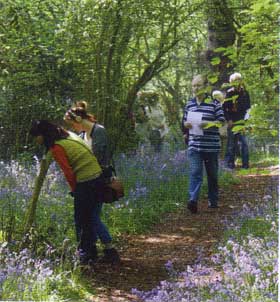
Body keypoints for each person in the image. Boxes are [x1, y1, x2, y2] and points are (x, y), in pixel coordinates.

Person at [29, 120, 103, 265]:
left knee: (81, 219)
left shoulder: (57, 147)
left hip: (86, 180)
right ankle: (92, 252)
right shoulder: (68, 135)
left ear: (43, 135)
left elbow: (68, 171)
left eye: (36, 136)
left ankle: (85, 255)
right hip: (97, 176)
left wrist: (74, 190)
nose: (35, 140)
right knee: (89, 217)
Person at [64, 101, 120, 265]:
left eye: (73, 124)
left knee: (92, 216)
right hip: (88, 181)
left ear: (79, 120)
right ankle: (98, 250)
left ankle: (110, 249)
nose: (73, 128)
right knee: (90, 216)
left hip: (101, 179)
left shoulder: (99, 131)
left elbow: (100, 159)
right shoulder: (82, 136)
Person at [182, 75, 225, 214]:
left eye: (198, 85)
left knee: (212, 175)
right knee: (195, 172)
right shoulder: (189, 104)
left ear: (205, 87)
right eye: (193, 85)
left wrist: (208, 124)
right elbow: (183, 121)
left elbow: (221, 121)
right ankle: (193, 200)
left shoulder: (214, 103)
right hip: (194, 145)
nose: (195, 88)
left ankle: (213, 200)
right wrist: (186, 124)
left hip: (211, 146)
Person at [223, 72, 251, 169]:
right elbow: (224, 108)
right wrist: (229, 120)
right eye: (234, 81)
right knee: (231, 144)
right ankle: (230, 166)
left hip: (242, 122)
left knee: (244, 143)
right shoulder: (229, 93)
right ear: (231, 82)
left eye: (238, 80)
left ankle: (245, 165)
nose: (236, 82)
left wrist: (246, 120)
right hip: (232, 122)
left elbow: (248, 108)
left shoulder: (245, 93)